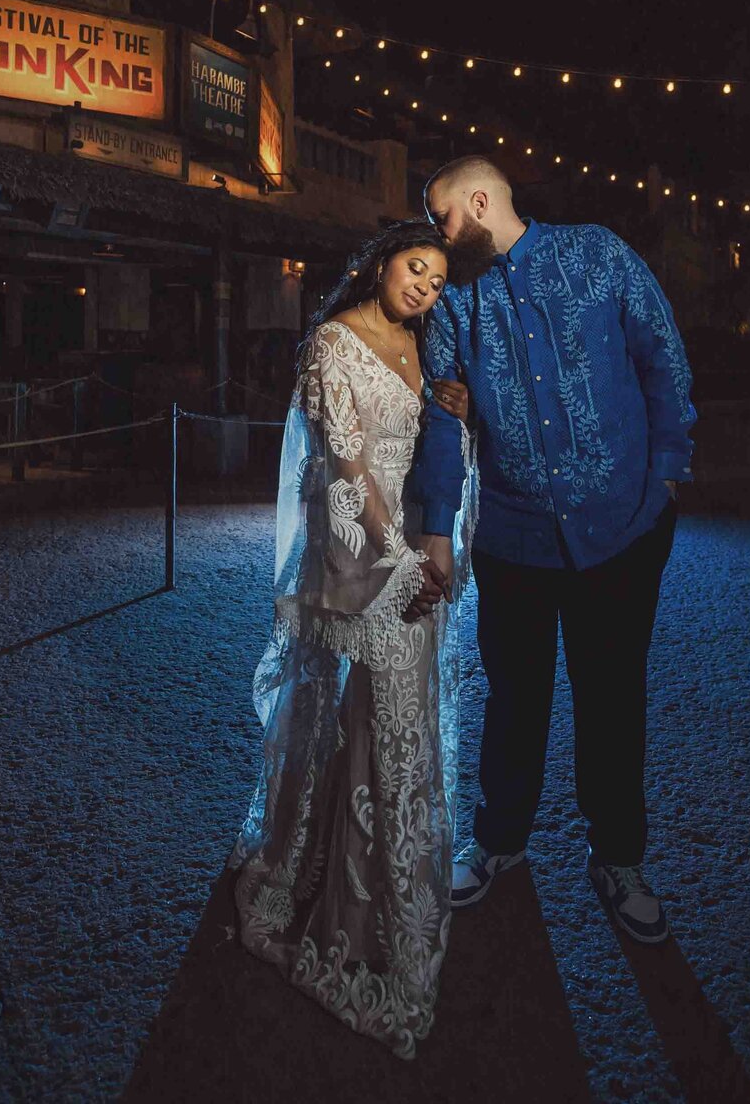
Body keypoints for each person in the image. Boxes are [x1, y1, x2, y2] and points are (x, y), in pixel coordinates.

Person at [410, 157, 696, 946]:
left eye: (441, 216)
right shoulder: (455, 300)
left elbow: (662, 357)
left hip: (623, 527)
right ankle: (500, 841)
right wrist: (438, 526)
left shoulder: (598, 255)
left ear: (477, 201)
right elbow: (440, 412)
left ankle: (619, 860)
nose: (437, 233)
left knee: (612, 696)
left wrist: (668, 475)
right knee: (515, 696)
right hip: (514, 536)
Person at [230, 221, 476, 1061]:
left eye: (439, 280)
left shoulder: (421, 348)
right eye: (417, 269)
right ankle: (362, 926)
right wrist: (399, 562)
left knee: (391, 733)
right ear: (381, 265)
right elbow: (343, 466)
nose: (425, 288)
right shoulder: (332, 345)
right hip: (367, 565)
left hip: (418, 562)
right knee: (379, 730)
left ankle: (387, 896)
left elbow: (423, 454)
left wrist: (457, 417)